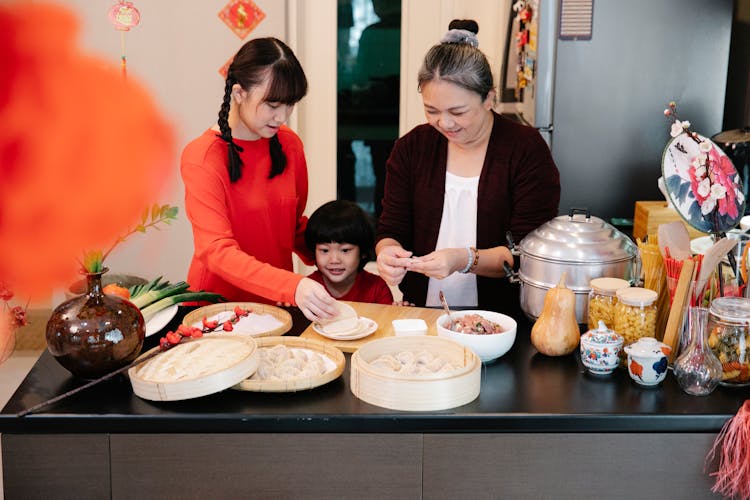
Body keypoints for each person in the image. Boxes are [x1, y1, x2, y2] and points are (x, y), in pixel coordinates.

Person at [375, 19, 560, 313]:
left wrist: (463, 259)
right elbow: (391, 226)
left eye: (458, 112)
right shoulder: (412, 147)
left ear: (489, 98)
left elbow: (529, 253)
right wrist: (387, 253)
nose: (444, 123)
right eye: (431, 110)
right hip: (422, 311)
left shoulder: (525, 149)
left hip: (500, 318)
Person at [181, 37, 338, 323]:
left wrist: (342, 251)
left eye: (290, 105)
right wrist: (295, 285)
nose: (282, 117)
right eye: (272, 104)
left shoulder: (290, 145)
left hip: (277, 308)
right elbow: (216, 251)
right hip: (216, 310)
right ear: (239, 93)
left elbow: (291, 225)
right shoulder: (202, 157)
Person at [305, 200, 394, 304]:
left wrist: (399, 312)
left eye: (345, 250)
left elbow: (389, 318)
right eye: (324, 250)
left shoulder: (377, 289)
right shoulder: (307, 288)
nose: (334, 260)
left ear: (363, 252)